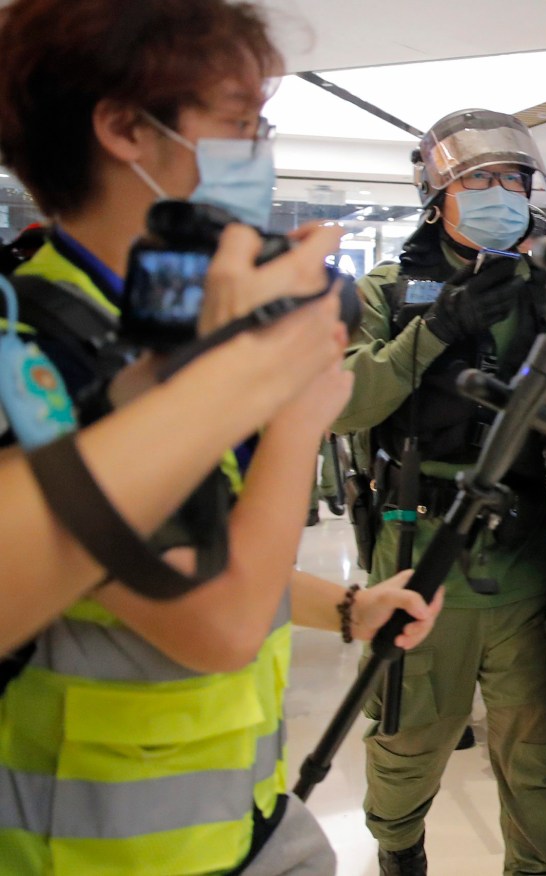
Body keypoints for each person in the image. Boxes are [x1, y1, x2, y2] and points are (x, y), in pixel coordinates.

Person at [0, 2, 443, 872]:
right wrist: (291, 407)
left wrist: (345, 607)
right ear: (127, 128)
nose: (258, 153)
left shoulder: (169, 332)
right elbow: (216, 623)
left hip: (235, 818)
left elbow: (206, 546)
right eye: (241, 126)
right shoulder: (33, 351)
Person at [331, 109, 546, 876]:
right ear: (435, 194)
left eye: (512, 180)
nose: (498, 193)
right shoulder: (386, 292)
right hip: (420, 556)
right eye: (478, 180)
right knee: (409, 737)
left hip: (533, 557)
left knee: (538, 757)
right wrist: (437, 327)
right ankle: (398, 848)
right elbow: (342, 400)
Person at [0, 292, 345, 652]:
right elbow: (226, 622)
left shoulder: (108, 321)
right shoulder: (33, 332)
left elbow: (204, 563)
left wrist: (350, 608)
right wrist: (292, 421)